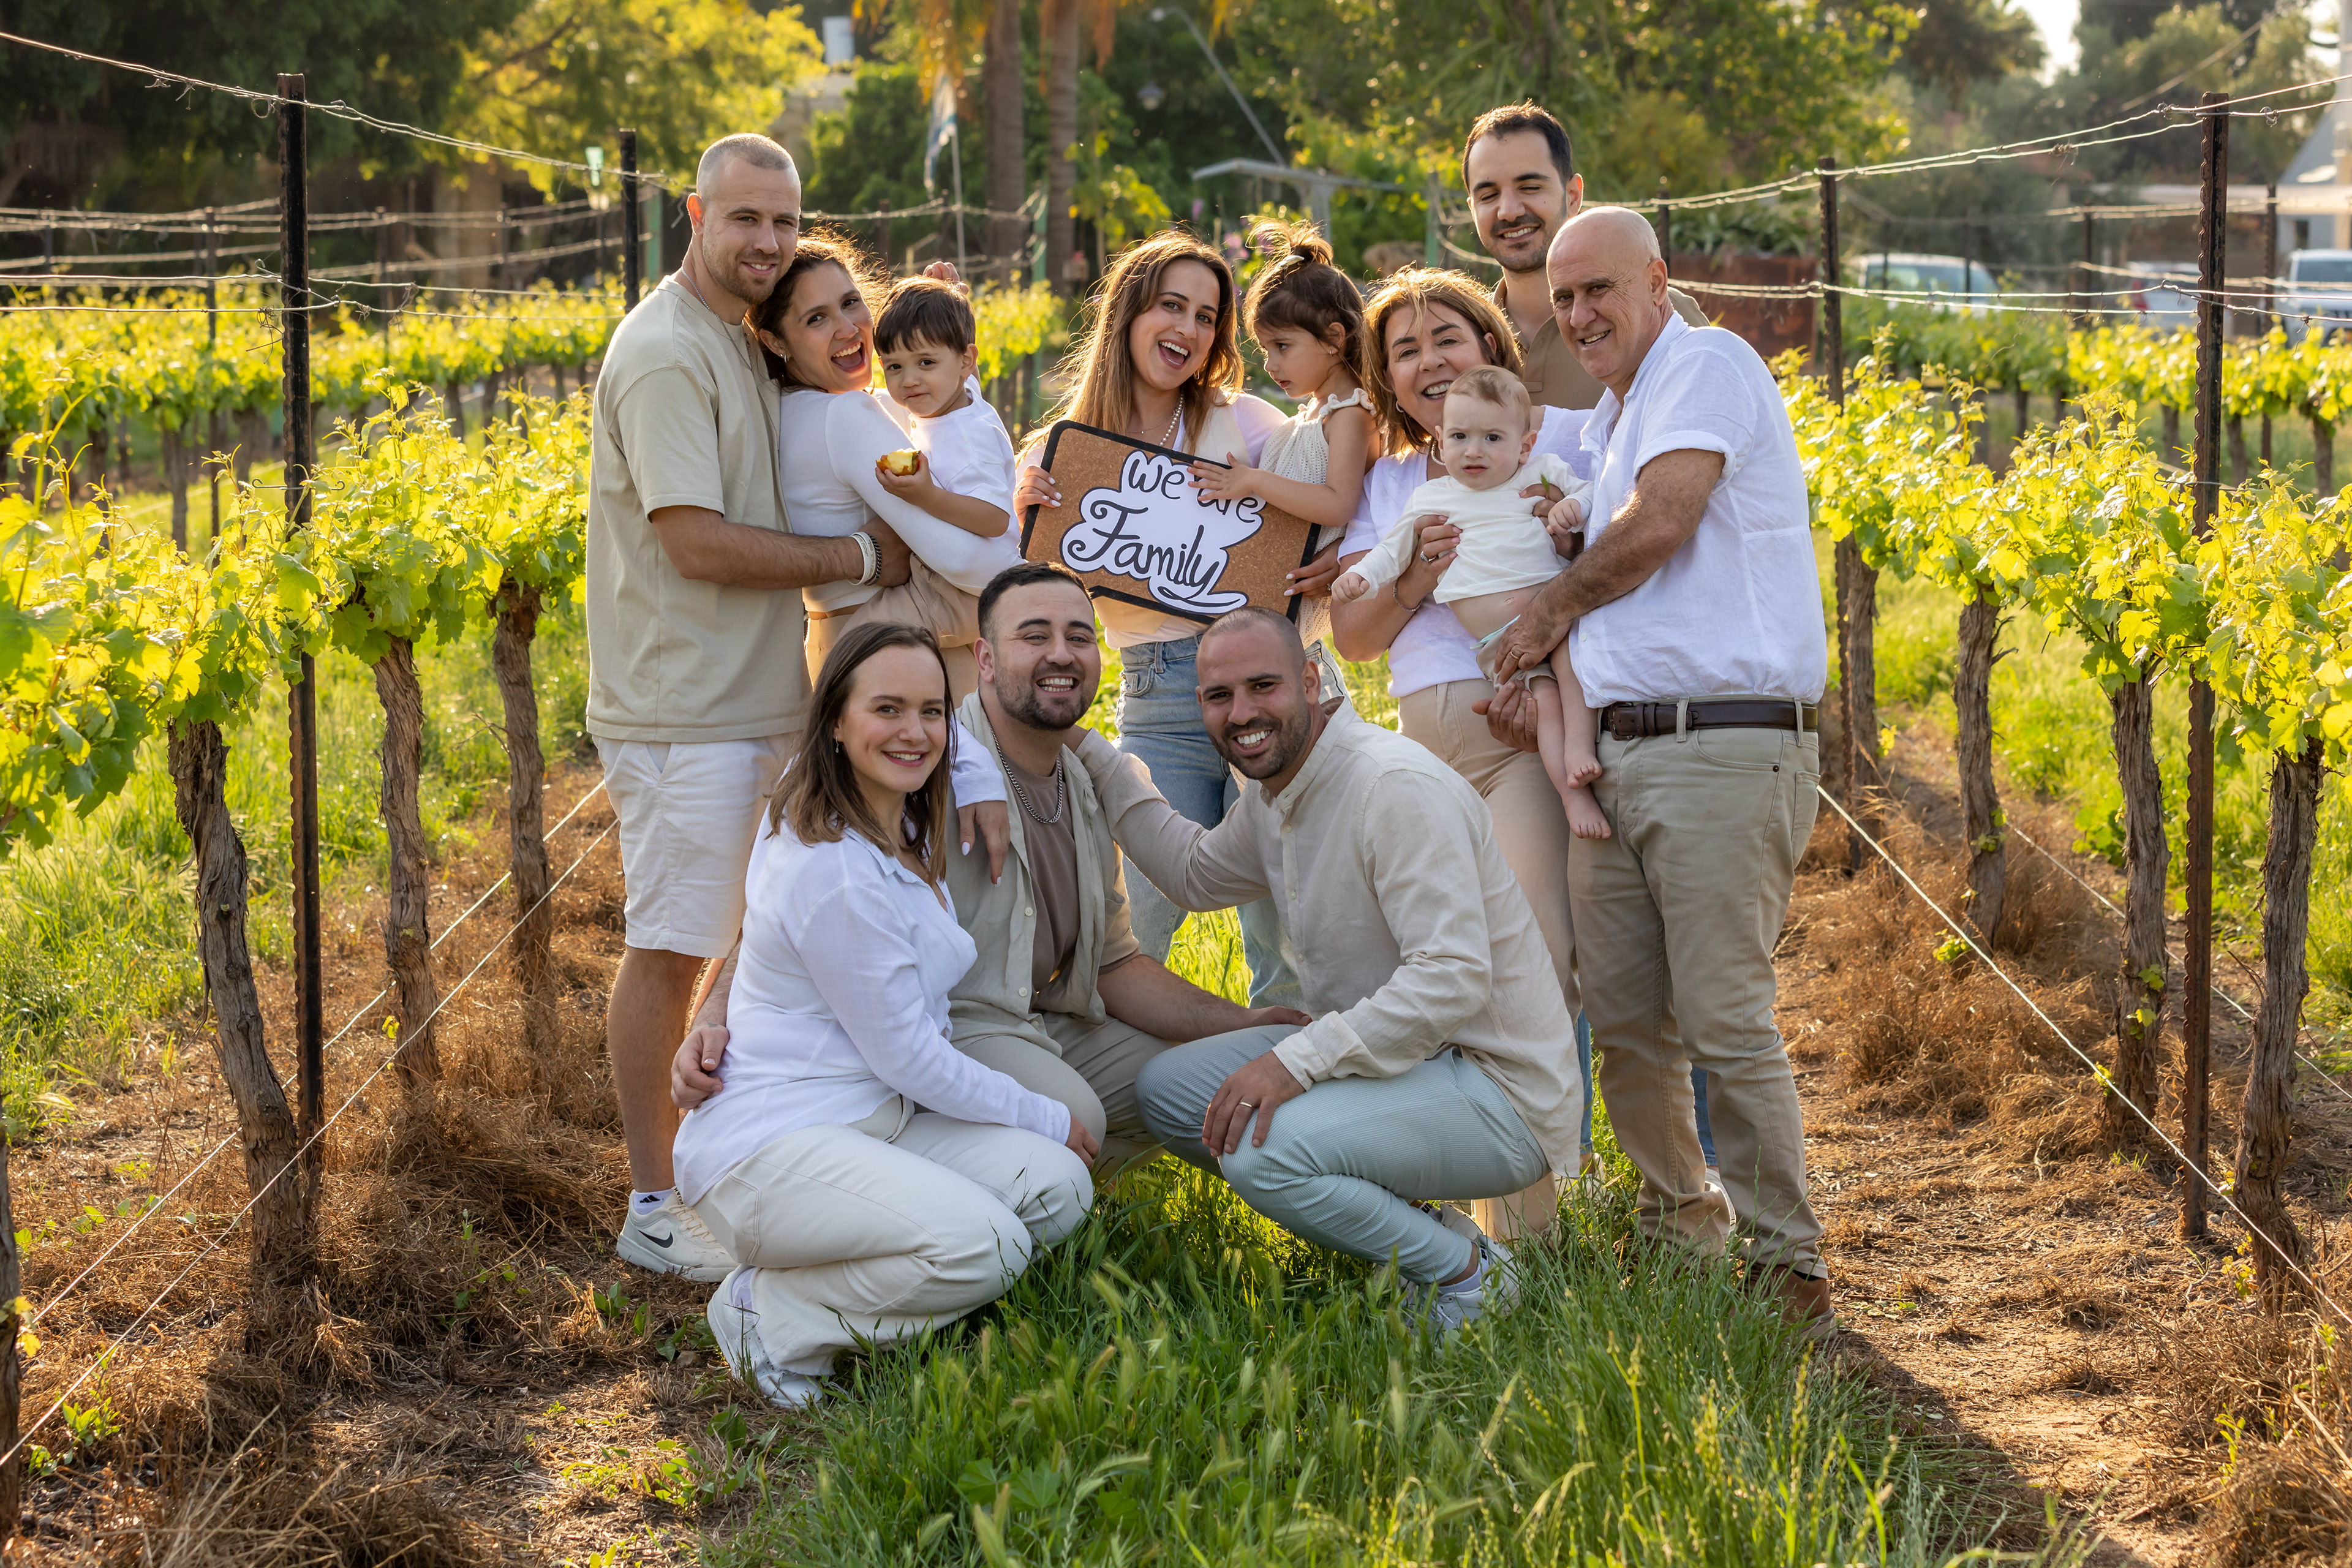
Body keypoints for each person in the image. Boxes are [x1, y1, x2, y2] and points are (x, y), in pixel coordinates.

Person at [677, 561, 1313, 1174]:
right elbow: (792, 892)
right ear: (984, 659)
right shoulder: (926, 765)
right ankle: (996, 1180)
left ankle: (1077, 1179)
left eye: (1079, 637)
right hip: (944, 1030)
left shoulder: (1084, 778)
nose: (1061, 654)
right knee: (1081, 1112)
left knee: (1196, 1078)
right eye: (1033, 636)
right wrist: (712, 1018)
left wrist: (1245, 1022)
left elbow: (1114, 966)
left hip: (1045, 1017)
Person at [1488, 206, 1831, 1336]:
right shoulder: (1615, 417)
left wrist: (1544, 616)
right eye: (1563, 297)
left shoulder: (1708, 363)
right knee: (1630, 1022)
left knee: (1722, 1015)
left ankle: (1788, 1267)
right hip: (1621, 754)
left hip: (1722, 741)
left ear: (1656, 280)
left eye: (1599, 289)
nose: (1580, 313)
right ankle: (1680, 1230)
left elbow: (1662, 523)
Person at [589, 132, 916, 1283]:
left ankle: (725, 1172)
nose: (769, 241)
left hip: (752, 697)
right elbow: (696, 543)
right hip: (686, 711)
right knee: (674, 950)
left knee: (743, 947)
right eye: (746, 219)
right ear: (696, 215)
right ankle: (652, 1202)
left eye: (784, 220)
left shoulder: (738, 337)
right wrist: (861, 560)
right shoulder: (666, 354)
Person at [1069, 609, 1584, 1333]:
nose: (1241, 713)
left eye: (1264, 686)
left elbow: (1450, 978)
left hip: (1497, 1092)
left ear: (1311, 681)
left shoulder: (1391, 785)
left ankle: (1469, 1277)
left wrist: (1294, 1062)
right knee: (1169, 1091)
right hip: (1405, 1065)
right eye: (1219, 696)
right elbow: (1193, 872)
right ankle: (1426, 1226)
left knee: (1262, 1156)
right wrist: (1092, 751)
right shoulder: (1276, 789)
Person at [666, 624, 1096, 1408]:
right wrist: (1044, 1114)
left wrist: (977, 774)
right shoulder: (835, 869)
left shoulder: (886, 813)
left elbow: (944, 744)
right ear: (835, 718)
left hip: (877, 1118)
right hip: (773, 1146)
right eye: (887, 709)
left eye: (931, 710)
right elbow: (912, 1060)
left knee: (1057, 1189)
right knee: (990, 1247)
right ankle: (767, 1312)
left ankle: (869, 1280)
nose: (914, 731)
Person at [1327, 266, 1591, 1242]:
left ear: (1488, 344)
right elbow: (1355, 637)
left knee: (1534, 960)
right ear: (1387, 378)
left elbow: (1598, 553)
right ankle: (1451, 1196)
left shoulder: (1553, 443)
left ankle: (1528, 1225)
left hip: (1518, 735)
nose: (1428, 361)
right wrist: (1417, 577)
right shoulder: (1393, 480)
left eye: (1446, 337)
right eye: (1404, 350)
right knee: (1435, 966)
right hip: (1421, 752)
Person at [1014, 230, 1322, 1010]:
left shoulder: (1245, 423)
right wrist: (1023, 521)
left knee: (1290, 930)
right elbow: (1034, 601)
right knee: (1129, 918)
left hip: (1266, 682)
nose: (1188, 329)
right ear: (1128, 313)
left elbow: (1333, 508)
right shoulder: (1061, 451)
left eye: (1207, 316)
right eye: (1171, 306)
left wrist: (1338, 564)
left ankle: (1294, 1077)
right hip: (1158, 695)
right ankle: (1089, 1071)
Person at [1336, 367, 1604, 835]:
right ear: (1441, 441)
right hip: (1501, 641)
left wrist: (1571, 508)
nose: (1474, 450)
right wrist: (1360, 577)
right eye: (1460, 437)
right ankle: (1573, 793)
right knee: (1545, 700)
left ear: (1525, 445)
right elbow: (1391, 551)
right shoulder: (1432, 497)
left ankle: (1578, 766)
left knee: (1573, 684)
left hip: (1557, 619)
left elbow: (1590, 494)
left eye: (1493, 438)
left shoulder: (1540, 474)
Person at [755, 233, 1020, 701]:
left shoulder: (798, 410)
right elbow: (968, 563)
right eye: (817, 318)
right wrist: (1019, 582)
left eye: (850, 303)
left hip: (850, 639)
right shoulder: (845, 415)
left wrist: (946, 332)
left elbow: (957, 419)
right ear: (777, 342)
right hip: (890, 650)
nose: (848, 328)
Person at [1184, 222, 1373, 697]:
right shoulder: (1313, 413)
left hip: (1301, 621)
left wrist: (1253, 482)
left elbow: (1338, 504)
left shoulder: (1350, 413)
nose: (1270, 364)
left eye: (1283, 347)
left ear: (1334, 339)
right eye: (1266, 349)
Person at [1461, 102, 1706, 410]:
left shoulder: (1659, 314)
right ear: (1473, 209)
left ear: (1573, 196)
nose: (1508, 211)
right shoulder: (1459, 337)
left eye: (1530, 187)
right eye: (1488, 195)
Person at [871, 276, 1020, 543]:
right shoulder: (962, 394)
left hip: (981, 568)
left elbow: (997, 519)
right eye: (895, 367)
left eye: (926, 362)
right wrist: (948, 291)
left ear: (965, 361)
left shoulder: (969, 438)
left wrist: (927, 496)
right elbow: (968, 372)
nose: (909, 380)